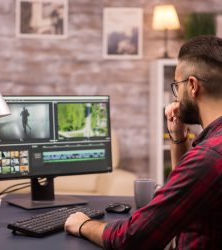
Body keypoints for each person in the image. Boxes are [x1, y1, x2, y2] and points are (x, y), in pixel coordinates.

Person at [64, 35, 222, 249]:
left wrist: (83, 224)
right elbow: (184, 200)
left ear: (192, 86)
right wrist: (178, 138)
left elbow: (134, 238)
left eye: (177, 86)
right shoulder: (211, 152)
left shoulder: (209, 157)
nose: (176, 98)